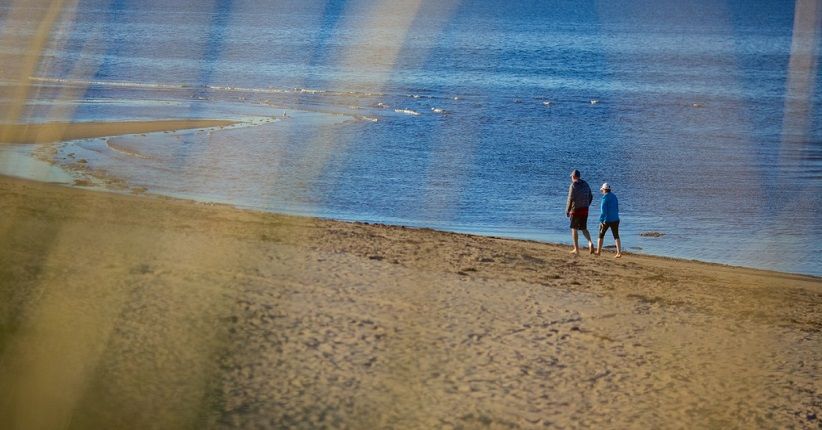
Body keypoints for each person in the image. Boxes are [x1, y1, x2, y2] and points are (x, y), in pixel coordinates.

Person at [565, 169, 594, 255]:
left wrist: (567, 210)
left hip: (576, 210)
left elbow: (570, 198)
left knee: (574, 229)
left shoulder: (573, 185)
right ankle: (590, 242)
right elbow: (591, 196)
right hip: (585, 209)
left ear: (573, 177)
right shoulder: (586, 184)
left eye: (572, 177)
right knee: (584, 228)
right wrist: (587, 204)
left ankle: (576, 249)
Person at [595, 182, 622, 258]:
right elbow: (617, 208)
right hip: (616, 219)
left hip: (607, 220)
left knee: (601, 235)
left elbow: (603, 212)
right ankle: (619, 253)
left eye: (602, 190)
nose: (602, 192)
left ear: (604, 190)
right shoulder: (614, 196)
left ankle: (598, 251)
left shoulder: (604, 199)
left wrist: (601, 220)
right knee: (616, 235)